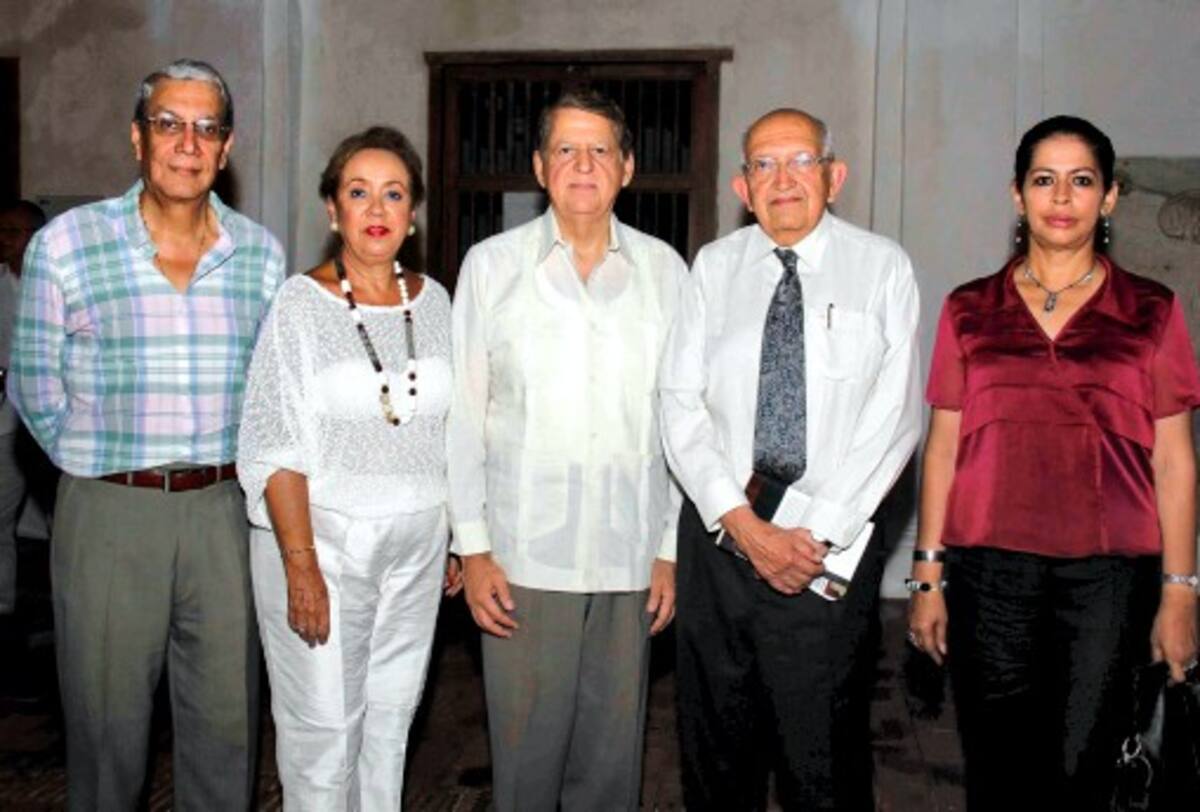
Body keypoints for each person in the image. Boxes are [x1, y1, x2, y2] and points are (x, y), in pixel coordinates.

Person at [7, 59, 285, 810]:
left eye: (206, 127)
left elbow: (270, 393)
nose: (187, 143)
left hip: (225, 513)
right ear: (138, 138)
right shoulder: (67, 245)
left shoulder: (259, 256)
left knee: (227, 730)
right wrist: (94, 464)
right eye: (169, 123)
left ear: (225, 149)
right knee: (105, 733)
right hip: (110, 514)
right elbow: (34, 385)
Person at [907, 115, 1200, 811]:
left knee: (1084, 770)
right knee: (999, 771)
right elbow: (943, 446)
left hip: (1108, 579)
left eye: (1081, 181)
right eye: (1044, 180)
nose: (1061, 197)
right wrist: (927, 576)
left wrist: (1182, 589)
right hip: (989, 575)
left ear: (1110, 198)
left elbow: (1176, 460)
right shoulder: (969, 309)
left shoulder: (1153, 311)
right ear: (1017, 195)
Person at [660, 107, 922, 810]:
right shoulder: (713, 269)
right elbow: (679, 404)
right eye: (764, 165)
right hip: (721, 534)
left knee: (823, 755)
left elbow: (896, 416)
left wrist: (814, 534)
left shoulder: (881, 268)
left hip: (824, 548)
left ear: (833, 176)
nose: (783, 180)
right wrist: (743, 524)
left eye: (800, 162)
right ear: (742, 187)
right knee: (717, 749)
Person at [447, 89, 687, 811]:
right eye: (565, 150)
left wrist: (670, 547)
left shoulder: (666, 273)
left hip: (628, 559)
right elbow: (463, 415)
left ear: (628, 166)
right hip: (523, 560)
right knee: (523, 769)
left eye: (600, 150)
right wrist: (474, 545)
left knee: (610, 775)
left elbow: (681, 420)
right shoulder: (490, 269)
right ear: (538, 167)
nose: (583, 165)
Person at [238, 125, 459, 809]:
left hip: (418, 550)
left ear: (412, 212)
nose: (376, 209)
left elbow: (450, 429)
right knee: (323, 733)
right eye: (358, 192)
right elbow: (274, 442)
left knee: (391, 723)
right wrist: (299, 565)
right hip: (323, 547)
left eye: (393, 194)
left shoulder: (437, 301)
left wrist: (453, 538)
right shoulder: (300, 306)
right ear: (332, 210)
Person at [0, 200, 47, 620]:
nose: (5, 240)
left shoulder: (51, 286)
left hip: (49, 422)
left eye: (13, 232)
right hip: (7, 419)